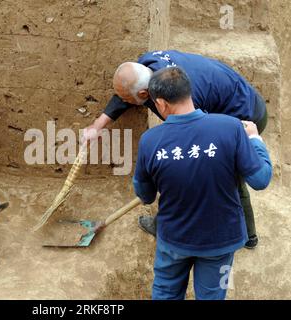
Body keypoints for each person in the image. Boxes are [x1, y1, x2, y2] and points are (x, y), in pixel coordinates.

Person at [83, 50, 268, 249]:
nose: (127, 103)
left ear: (149, 96)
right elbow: (126, 92)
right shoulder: (147, 65)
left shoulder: (188, 101)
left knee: (223, 175)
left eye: (130, 100)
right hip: (228, 100)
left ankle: (247, 236)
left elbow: (199, 141)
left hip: (245, 116)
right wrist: (98, 125)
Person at [133, 67, 272, 300]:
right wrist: (255, 140)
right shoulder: (231, 128)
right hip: (222, 242)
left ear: (161, 103)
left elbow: (145, 195)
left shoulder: (150, 141)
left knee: (165, 293)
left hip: (173, 241)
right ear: (189, 92)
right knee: (213, 295)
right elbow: (261, 180)